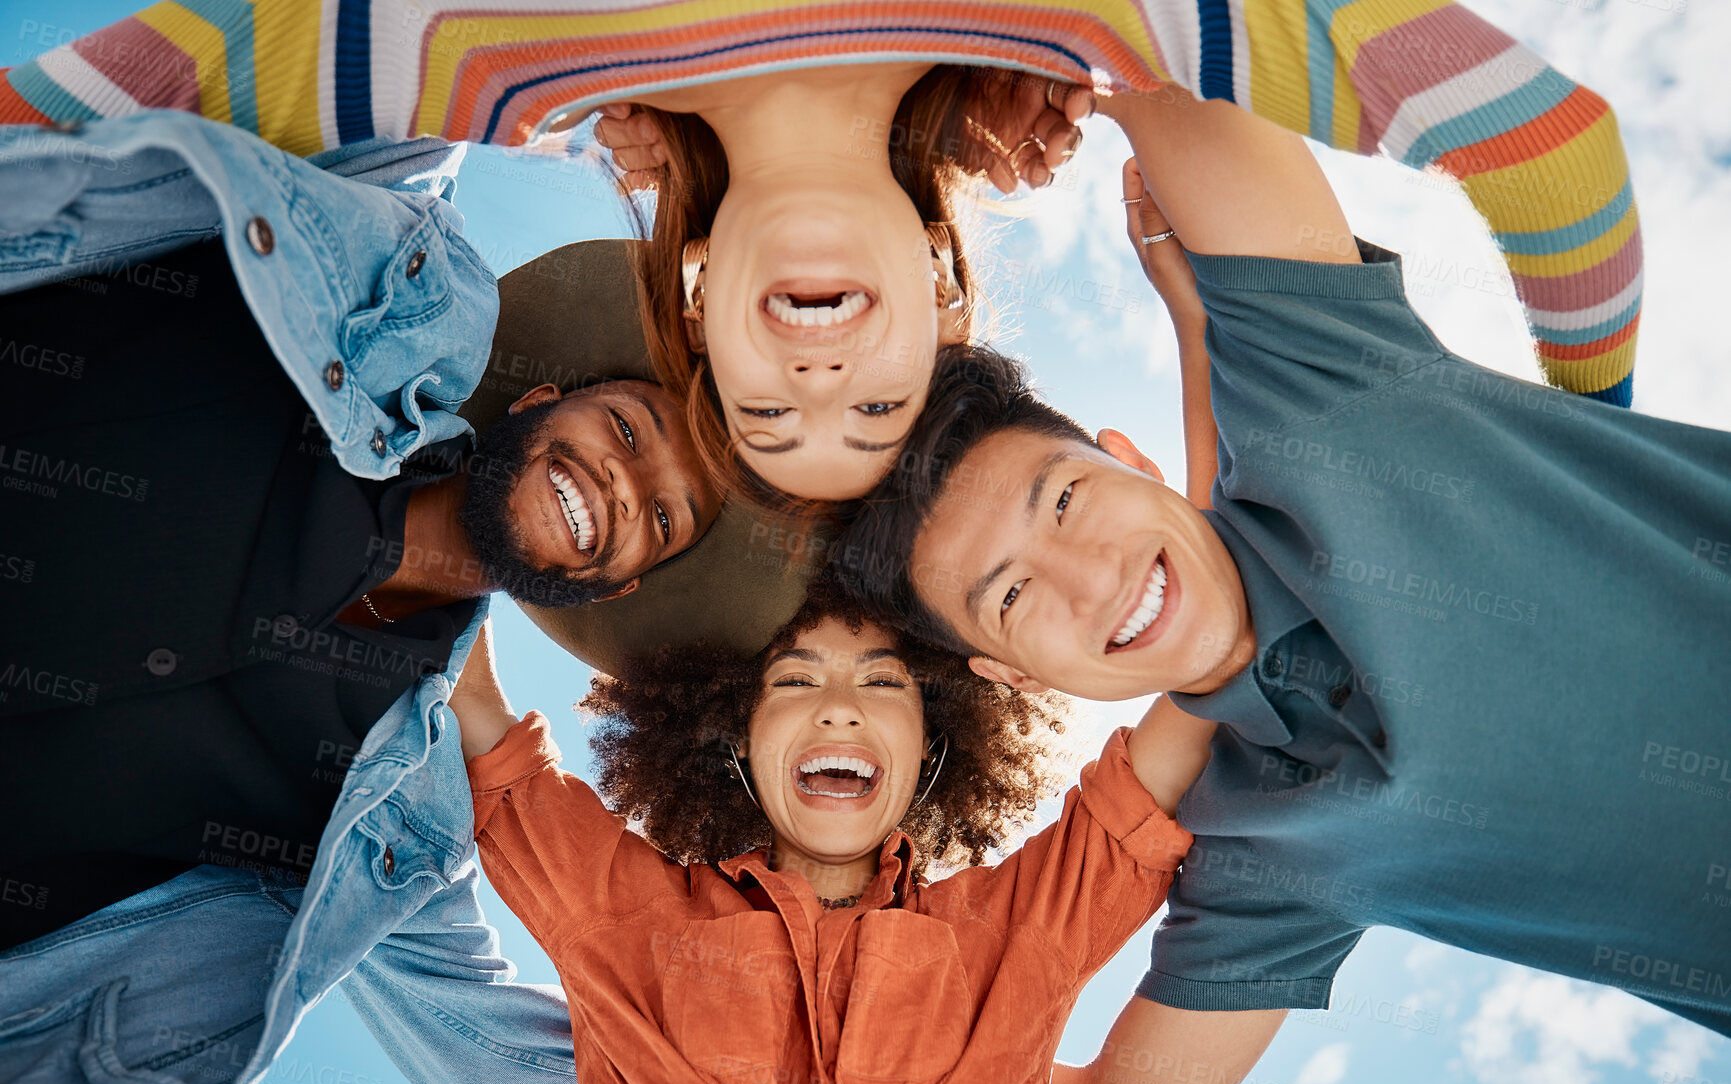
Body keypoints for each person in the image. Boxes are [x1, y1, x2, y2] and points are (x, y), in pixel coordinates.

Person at [831, 86, 1731, 1043]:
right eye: (1011, 597)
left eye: (1064, 500)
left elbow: (1152, 49)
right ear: (1013, 674)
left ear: (1129, 459)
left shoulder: (1314, 396)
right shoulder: (1258, 854)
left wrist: (986, 82)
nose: (1090, 578)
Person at [3, 0, 1643, 506]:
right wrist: (1599, 448)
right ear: (943, 298)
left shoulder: (462, 61)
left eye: (767, 415)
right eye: (872, 412)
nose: (816, 384)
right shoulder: (1114, 19)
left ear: (694, 304)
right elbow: (1545, 142)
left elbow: (41, 125)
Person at [0, 116, 719, 1084]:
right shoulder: (374, 313)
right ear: (548, 399)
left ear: (612, 587)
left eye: (661, 519)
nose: (625, 482)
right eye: (627, 431)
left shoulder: (407, 811)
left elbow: (499, 1081)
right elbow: (405, 91)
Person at [445, 573, 1221, 1084]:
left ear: (927, 749)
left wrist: (1218, 581)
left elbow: (1141, 787)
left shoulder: (1013, 936)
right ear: (739, 738)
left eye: (883, 680)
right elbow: (480, 720)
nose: (838, 704)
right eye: (794, 677)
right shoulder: (625, 919)